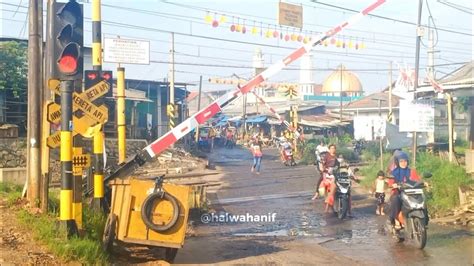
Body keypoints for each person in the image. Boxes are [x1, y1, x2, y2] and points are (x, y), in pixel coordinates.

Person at [387, 151, 421, 229]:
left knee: (421, 198)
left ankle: (425, 218)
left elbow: (417, 180)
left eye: (405, 161)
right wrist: (393, 185)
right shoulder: (393, 173)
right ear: (397, 162)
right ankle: (396, 219)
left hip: (410, 192)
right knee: (395, 200)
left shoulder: (411, 171)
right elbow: (390, 183)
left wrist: (423, 183)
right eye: (401, 161)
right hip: (398, 192)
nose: (403, 163)